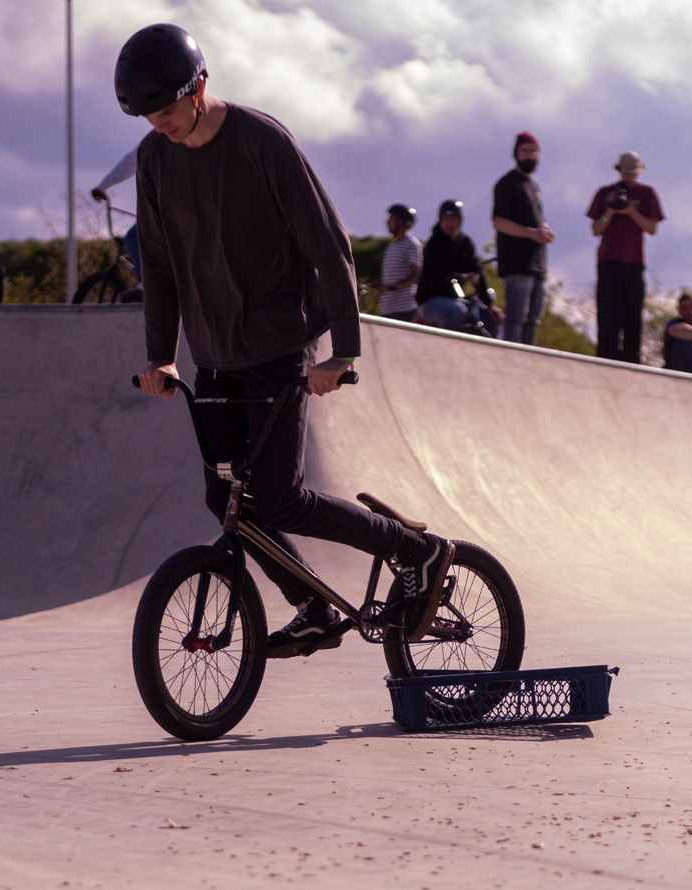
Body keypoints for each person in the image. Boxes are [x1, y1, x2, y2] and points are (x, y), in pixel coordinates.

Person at [116, 23, 453, 658]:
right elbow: (158, 267)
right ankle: (315, 608)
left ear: (198, 88)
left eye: (165, 111)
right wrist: (161, 354)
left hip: (278, 346)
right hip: (215, 354)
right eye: (145, 115)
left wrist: (343, 352)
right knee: (225, 496)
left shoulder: (262, 141)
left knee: (279, 496)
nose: (158, 124)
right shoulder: (154, 160)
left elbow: (330, 246)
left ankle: (417, 550)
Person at [586, 151, 665, 364]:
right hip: (608, 261)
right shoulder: (605, 192)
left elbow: (652, 228)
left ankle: (632, 362)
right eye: (625, 171)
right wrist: (610, 211)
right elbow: (596, 229)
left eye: (633, 171)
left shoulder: (647, 193)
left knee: (633, 316)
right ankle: (605, 359)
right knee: (607, 315)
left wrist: (631, 212)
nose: (629, 176)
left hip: (634, 262)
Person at [491, 131, 555, 345]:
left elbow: (537, 219)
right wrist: (531, 233)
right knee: (516, 317)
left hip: (538, 264)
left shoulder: (534, 186)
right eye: (525, 151)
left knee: (533, 320)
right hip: (517, 264)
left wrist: (544, 230)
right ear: (516, 153)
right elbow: (499, 221)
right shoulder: (507, 183)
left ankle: (529, 361)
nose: (529, 155)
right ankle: (511, 358)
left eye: (533, 151)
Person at [416, 200, 503, 337]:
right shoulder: (434, 244)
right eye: (446, 220)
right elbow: (432, 276)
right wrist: (460, 278)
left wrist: (490, 305)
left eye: (454, 219)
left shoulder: (465, 243)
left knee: (487, 315)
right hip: (429, 303)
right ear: (441, 220)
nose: (450, 223)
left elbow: (478, 274)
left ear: (460, 221)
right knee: (457, 310)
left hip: (455, 300)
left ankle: (489, 354)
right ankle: (446, 349)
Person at [91, 146, 142, 282]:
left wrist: (102, 187)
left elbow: (130, 163)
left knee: (133, 238)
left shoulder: (158, 138)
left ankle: (147, 284)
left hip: (168, 210)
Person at [378, 204, 422, 324]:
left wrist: (392, 287)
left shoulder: (412, 245)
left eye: (391, 218)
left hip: (404, 311)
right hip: (386, 310)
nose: (387, 222)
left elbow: (415, 277)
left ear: (401, 222)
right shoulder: (391, 246)